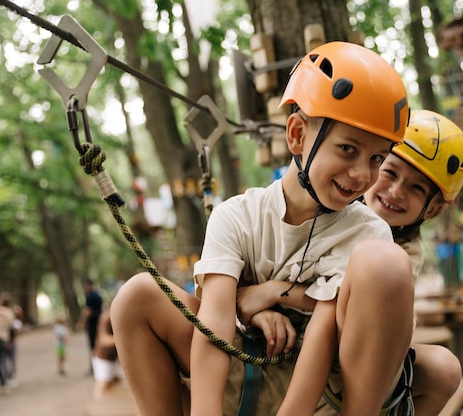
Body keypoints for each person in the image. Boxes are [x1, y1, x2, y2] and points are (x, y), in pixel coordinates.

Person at [111, 41, 414, 416]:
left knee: (385, 263)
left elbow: (322, 333)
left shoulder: (365, 235)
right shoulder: (236, 216)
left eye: (376, 159)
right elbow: (216, 319)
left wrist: (272, 295)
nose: (361, 175)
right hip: (245, 372)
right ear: (298, 135)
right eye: (348, 149)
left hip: (322, 395)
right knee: (137, 295)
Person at [363, 109, 463, 416]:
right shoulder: (333, 213)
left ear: (433, 210)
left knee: (444, 368)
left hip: (363, 361)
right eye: (390, 173)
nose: (396, 192)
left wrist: (278, 291)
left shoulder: (404, 254)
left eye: (416, 188)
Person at [92, 305, 122, 399]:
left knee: (113, 384)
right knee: (102, 386)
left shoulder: (117, 316)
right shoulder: (106, 317)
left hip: (112, 358)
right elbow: (104, 340)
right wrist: (125, 339)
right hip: (103, 358)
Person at [0, 292, 16, 391]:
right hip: (6, 338)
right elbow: (12, 328)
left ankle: (3, 381)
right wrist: (11, 340)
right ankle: (5, 379)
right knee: (4, 360)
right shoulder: (10, 313)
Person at [77, 279, 103, 373]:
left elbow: (87, 312)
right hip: (100, 324)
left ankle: (95, 368)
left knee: (93, 346)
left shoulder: (91, 297)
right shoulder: (98, 295)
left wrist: (81, 323)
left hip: (93, 325)